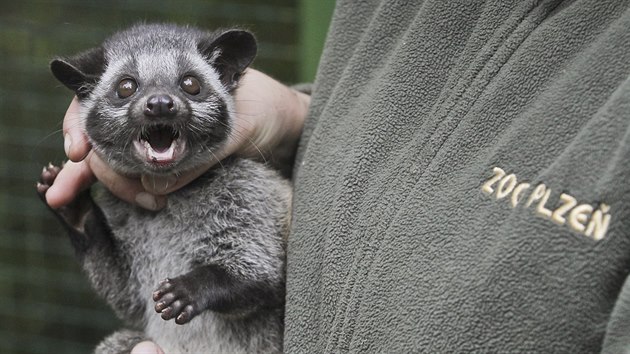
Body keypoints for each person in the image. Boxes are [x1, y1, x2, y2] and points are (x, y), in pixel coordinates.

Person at [47, 1, 630, 352]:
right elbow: (132, 298)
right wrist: (85, 224)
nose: (159, 103)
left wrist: (202, 288)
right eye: (128, 91)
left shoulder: (242, 188)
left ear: (228, 81)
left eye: (190, 87)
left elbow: (253, 280)